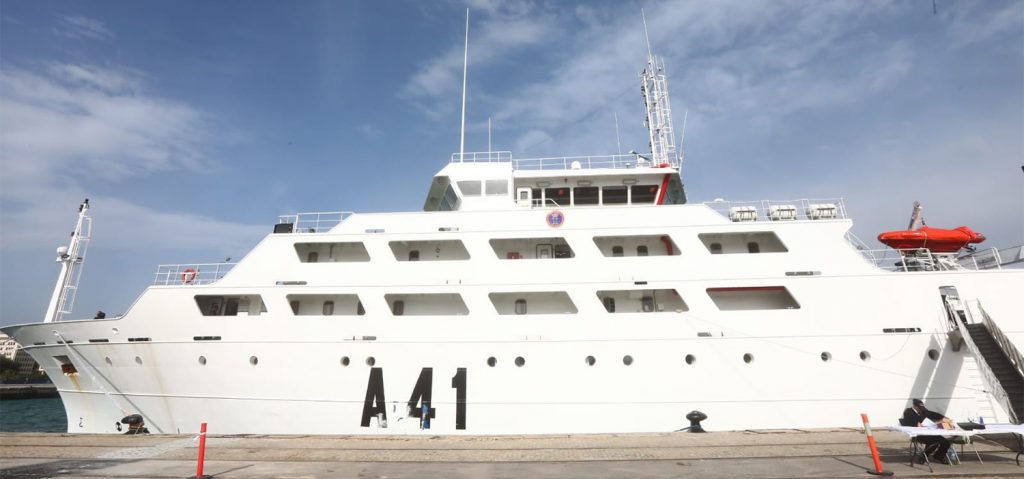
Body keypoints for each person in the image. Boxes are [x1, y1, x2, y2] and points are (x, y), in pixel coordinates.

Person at [902, 398, 953, 464]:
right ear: (914, 406)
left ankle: (938, 457)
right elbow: (907, 422)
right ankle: (923, 457)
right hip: (918, 435)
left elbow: (933, 414)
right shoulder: (908, 412)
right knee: (933, 442)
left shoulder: (923, 410)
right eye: (919, 408)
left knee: (946, 442)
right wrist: (916, 424)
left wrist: (943, 417)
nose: (921, 409)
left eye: (921, 407)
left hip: (928, 432)